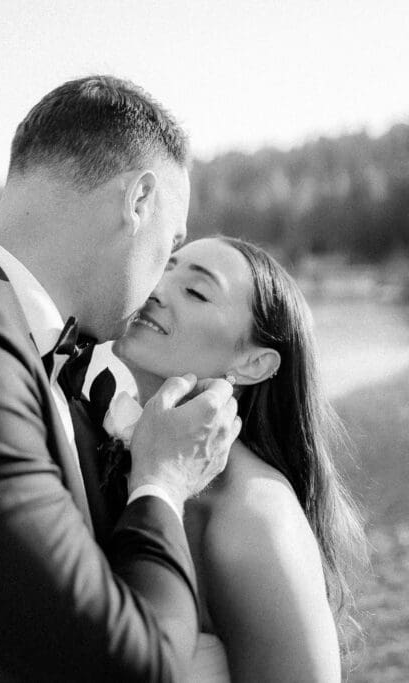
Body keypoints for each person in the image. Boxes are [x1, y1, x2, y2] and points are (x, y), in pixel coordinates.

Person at [0, 75, 242, 680]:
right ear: (138, 201)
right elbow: (133, 667)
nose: (161, 280)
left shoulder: (66, 369)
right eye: (171, 246)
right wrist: (162, 481)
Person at [104, 236, 365, 681]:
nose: (155, 289)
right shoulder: (113, 452)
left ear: (253, 363)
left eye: (196, 291)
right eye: (164, 268)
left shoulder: (254, 514)